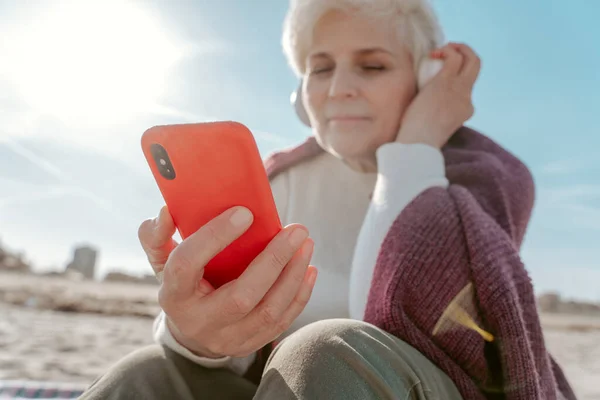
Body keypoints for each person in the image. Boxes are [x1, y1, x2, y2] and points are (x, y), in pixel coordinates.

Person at [80, 0, 577, 399]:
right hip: (294, 384)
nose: (340, 88)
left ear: (427, 80)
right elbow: (232, 348)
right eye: (321, 69)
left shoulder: (487, 178)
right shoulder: (279, 180)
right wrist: (197, 335)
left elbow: (399, 316)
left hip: (423, 385)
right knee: (144, 374)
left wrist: (415, 146)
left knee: (324, 349)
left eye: (373, 65)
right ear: (301, 92)